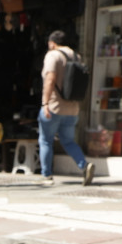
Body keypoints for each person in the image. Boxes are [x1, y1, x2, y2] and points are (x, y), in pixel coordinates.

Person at [39, 30, 95, 187]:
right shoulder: (77, 56)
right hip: (72, 109)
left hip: (54, 107)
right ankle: (84, 165)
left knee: (45, 140)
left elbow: (50, 79)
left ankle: (47, 175)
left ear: (52, 43)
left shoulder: (53, 55)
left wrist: (45, 104)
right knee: (68, 141)